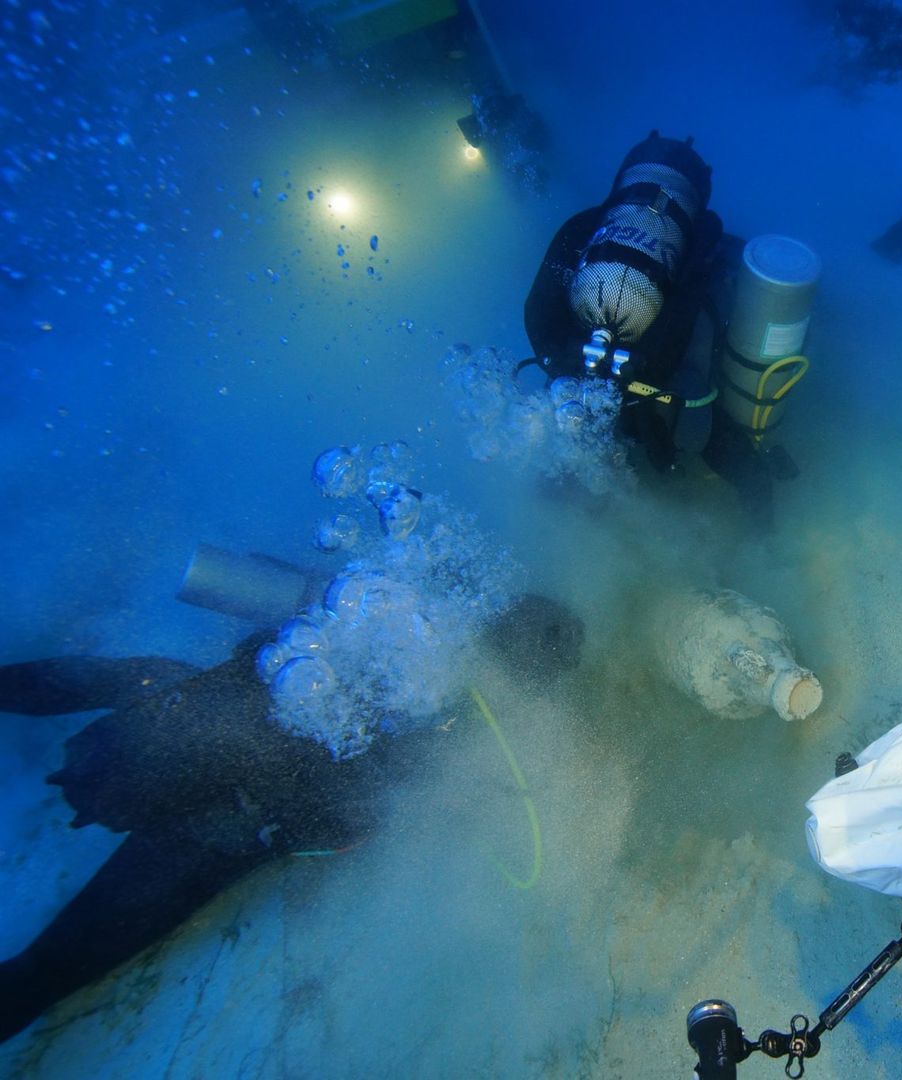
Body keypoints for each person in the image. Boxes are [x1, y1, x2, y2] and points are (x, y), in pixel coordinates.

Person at [0, 593, 583, 1044]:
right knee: (45, 971)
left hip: (170, 716)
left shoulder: (395, 616)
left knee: (135, 677)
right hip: (215, 828)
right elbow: (355, 818)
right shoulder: (449, 734)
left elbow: (264, 648)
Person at [521, 130, 783, 516]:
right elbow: (685, 313)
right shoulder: (704, 232)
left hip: (579, 358)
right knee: (698, 425)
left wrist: (557, 357)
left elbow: (539, 308)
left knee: (575, 428)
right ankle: (762, 516)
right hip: (662, 366)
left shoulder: (584, 224)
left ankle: (550, 516)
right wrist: (644, 365)